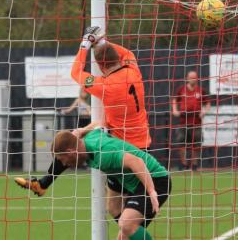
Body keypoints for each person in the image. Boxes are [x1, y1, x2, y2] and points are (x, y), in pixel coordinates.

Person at [16, 26, 152, 224]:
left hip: (121, 150)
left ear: (101, 67)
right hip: (140, 142)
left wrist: (85, 43)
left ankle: (134, 234)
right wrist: (101, 42)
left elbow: (75, 71)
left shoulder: (103, 85)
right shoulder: (133, 69)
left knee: (122, 209)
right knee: (74, 140)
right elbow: (126, 53)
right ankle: (44, 182)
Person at [47, 122, 171, 240]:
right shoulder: (91, 137)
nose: (64, 164)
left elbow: (136, 162)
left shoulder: (103, 154)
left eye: (62, 159)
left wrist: (151, 191)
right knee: (124, 231)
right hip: (137, 184)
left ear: (70, 152)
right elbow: (98, 123)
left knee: (127, 224)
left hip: (155, 178)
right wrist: (82, 131)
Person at [171, 70, 211, 171]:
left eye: (194, 77)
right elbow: (175, 100)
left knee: (196, 144)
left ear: (197, 79)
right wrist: (175, 110)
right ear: (187, 78)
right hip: (183, 121)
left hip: (196, 121)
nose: (193, 79)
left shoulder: (201, 90)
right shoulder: (182, 89)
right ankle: (183, 164)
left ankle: (194, 165)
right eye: (191, 77)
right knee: (181, 142)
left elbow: (207, 103)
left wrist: (204, 111)